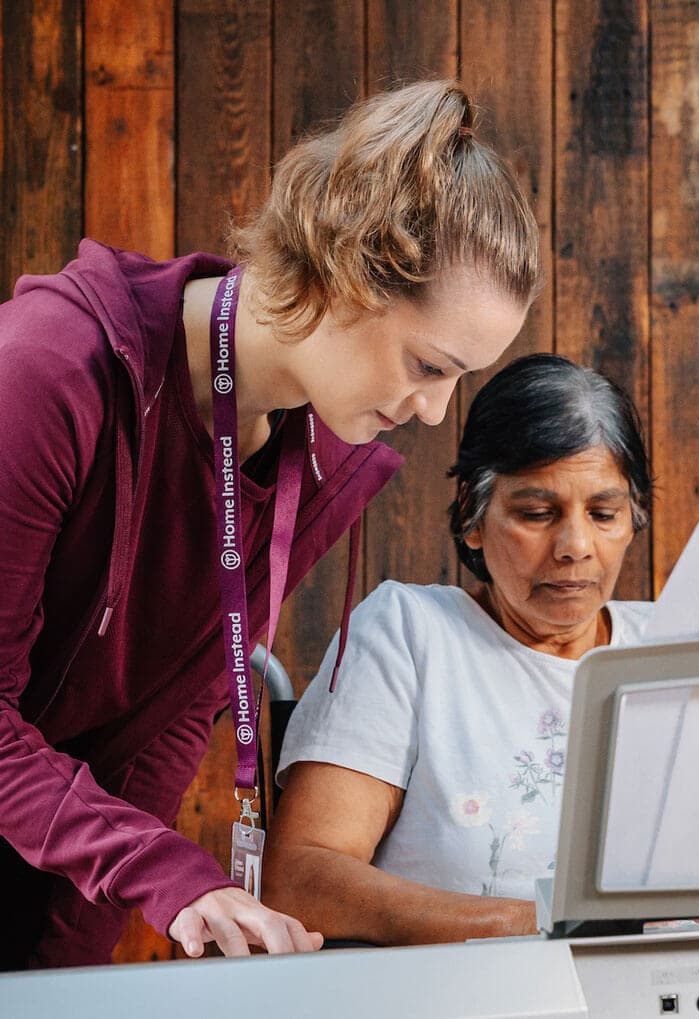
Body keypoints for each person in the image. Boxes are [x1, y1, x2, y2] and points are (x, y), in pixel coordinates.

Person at [0, 79, 539, 970]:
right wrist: (162, 872)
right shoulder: (48, 372)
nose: (438, 411)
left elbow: (167, 721)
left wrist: (67, 972)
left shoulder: (319, 457)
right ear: (345, 271)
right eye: (427, 364)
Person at [263, 353, 654, 946]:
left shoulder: (677, 645)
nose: (576, 546)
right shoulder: (412, 635)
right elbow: (301, 879)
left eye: (604, 513)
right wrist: (543, 928)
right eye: (537, 513)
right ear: (474, 515)